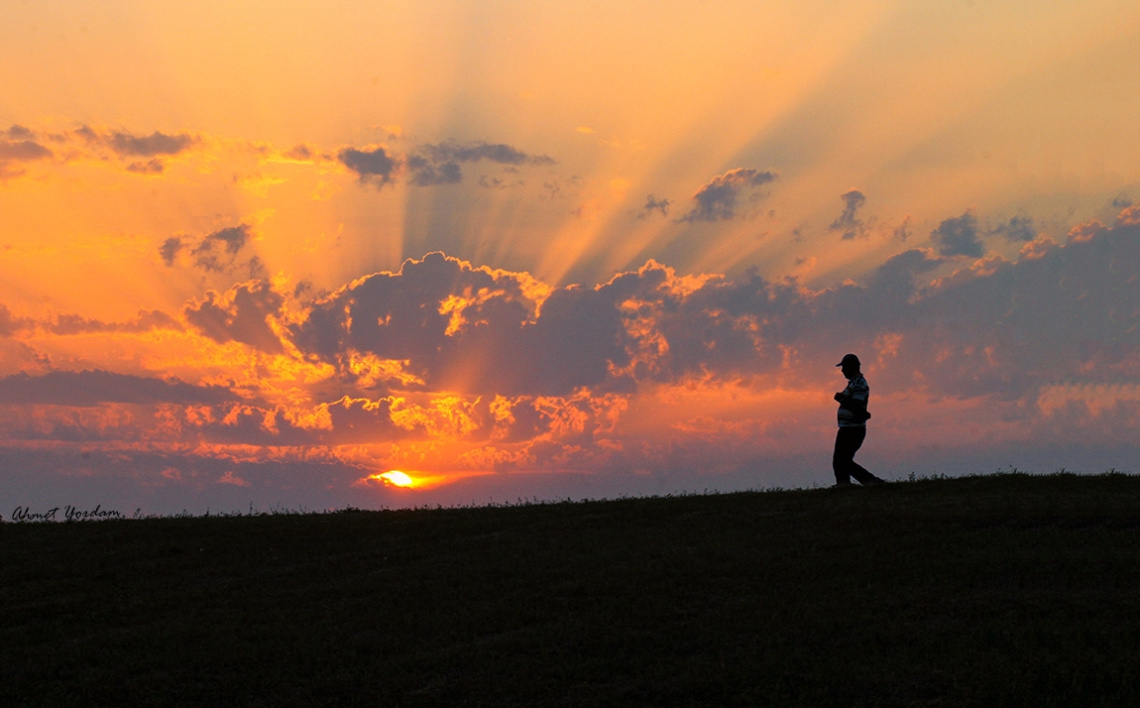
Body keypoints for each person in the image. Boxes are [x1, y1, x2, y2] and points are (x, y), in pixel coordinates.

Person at [832, 353, 885, 486]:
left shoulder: (859, 384)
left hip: (853, 428)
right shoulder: (854, 383)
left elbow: (856, 405)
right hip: (849, 428)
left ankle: (867, 481)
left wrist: (841, 399)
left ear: (852, 367)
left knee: (841, 460)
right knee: (842, 460)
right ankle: (847, 484)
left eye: (844, 367)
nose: (842, 370)